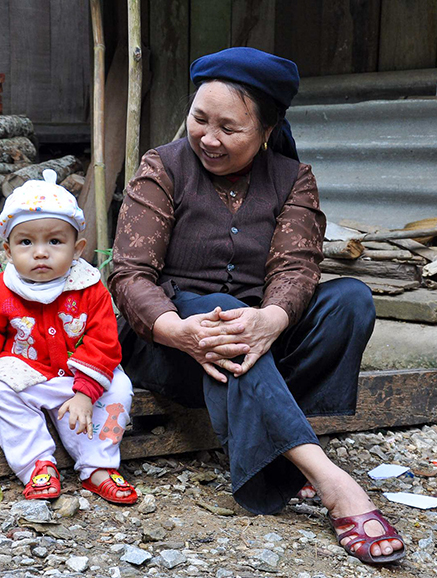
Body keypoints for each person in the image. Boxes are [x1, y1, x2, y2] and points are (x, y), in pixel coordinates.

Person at [110, 47, 405, 564]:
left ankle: (281, 451)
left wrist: (273, 318)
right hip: (172, 346)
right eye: (199, 119)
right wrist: (173, 328)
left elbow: (297, 267)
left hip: (248, 341)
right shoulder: (164, 167)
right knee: (224, 309)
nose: (208, 137)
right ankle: (329, 481)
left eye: (229, 127)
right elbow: (130, 272)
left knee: (350, 300)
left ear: (267, 131)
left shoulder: (293, 177)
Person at [0, 169, 137, 505]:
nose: (40, 252)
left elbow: (103, 341)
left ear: (77, 247)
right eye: (26, 242)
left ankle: (98, 465)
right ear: (7, 250)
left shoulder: (89, 288)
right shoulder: (1, 290)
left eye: (54, 241)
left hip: (82, 372)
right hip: (30, 370)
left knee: (119, 389)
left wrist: (85, 393)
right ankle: (38, 463)